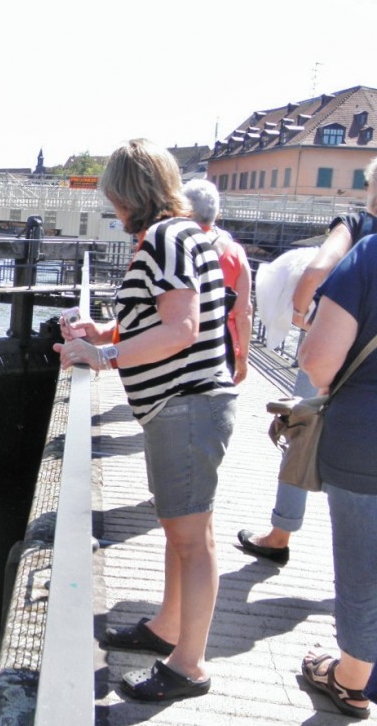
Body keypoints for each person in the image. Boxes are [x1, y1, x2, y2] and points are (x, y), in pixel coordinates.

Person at [54, 139, 237, 701]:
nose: (112, 204)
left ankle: (188, 667)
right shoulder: (183, 236)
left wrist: (103, 357)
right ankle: (167, 629)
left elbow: (180, 330)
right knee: (182, 531)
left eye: (113, 192)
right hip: (185, 406)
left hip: (187, 405)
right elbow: (155, 320)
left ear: (128, 191)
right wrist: (102, 334)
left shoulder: (163, 239)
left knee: (192, 539)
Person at [237, 155, 377, 565]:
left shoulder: (357, 228)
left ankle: (280, 532)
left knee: (302, 433)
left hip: (341, 357)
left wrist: (302, 316)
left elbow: (316, 270)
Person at [295, 232, 377, 719]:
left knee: (363, 570)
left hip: (366, 442)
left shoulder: (367, 257)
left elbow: (318, 360)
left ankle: (350, 680)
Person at [182, 179, 253, 383]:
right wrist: (242, 357)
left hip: (179, 338)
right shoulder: (235, 252)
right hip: (221, 343)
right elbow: (243, 311)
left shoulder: (174, 245)